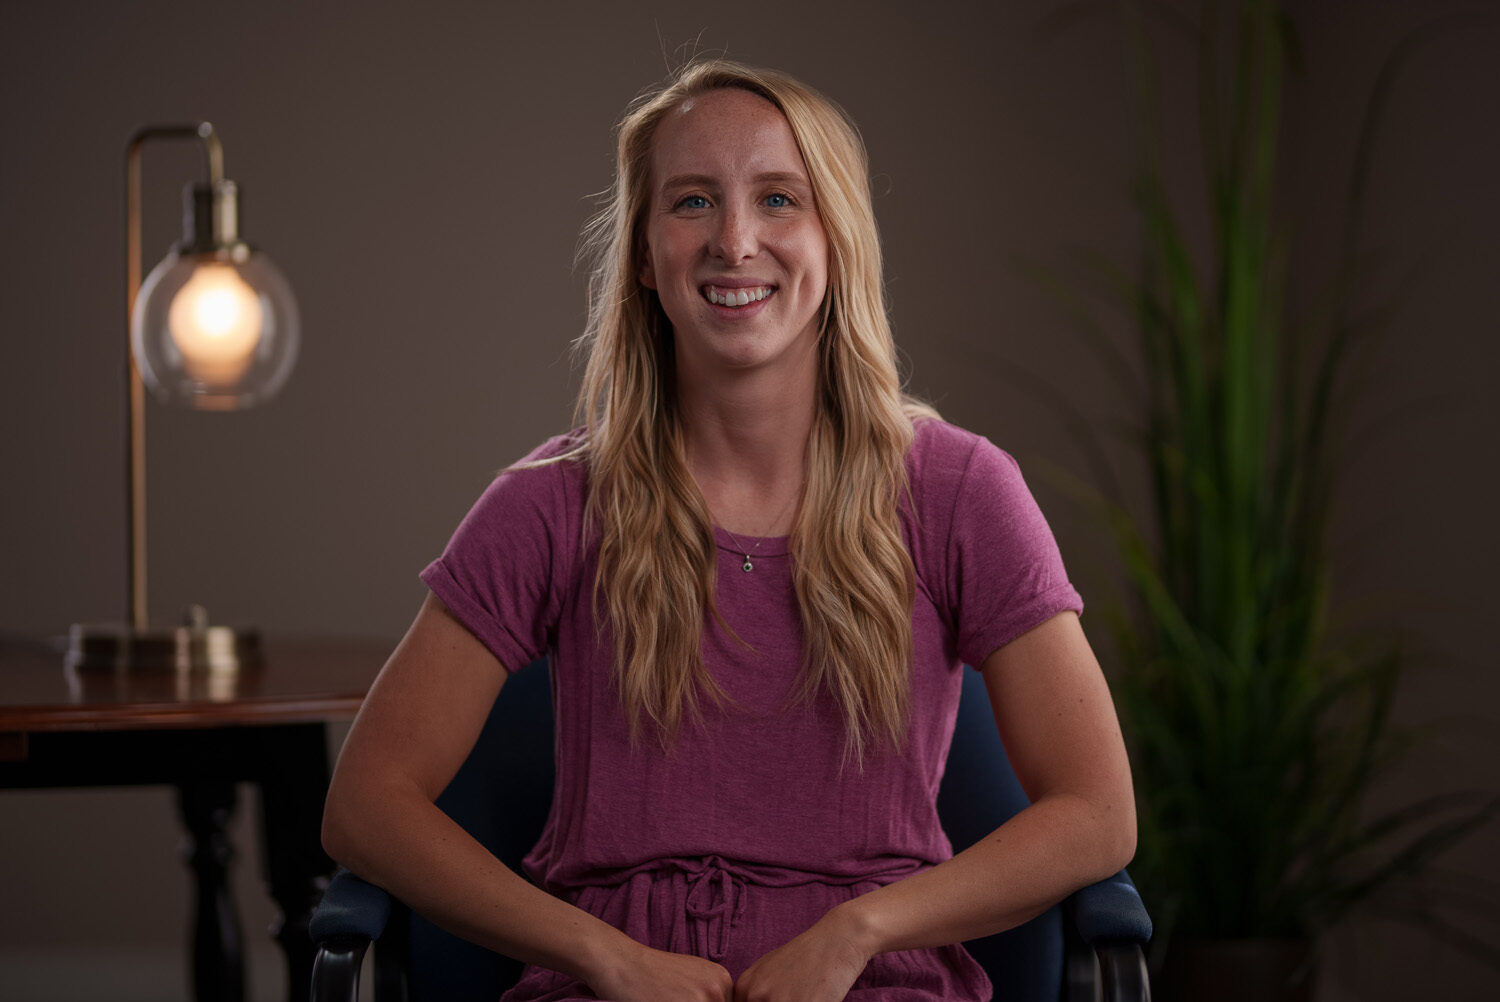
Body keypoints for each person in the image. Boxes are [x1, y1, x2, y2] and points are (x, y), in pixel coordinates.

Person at [322, 58, 1136, 1002]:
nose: (735, 241)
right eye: (693, 202)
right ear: (642, 253)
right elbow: (365, 806)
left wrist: (857, 933)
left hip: (873, 984)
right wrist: (602, 954)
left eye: (780, 199)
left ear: (837, 243)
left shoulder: (961, 490)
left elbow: (1097, 813)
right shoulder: (549, 501)